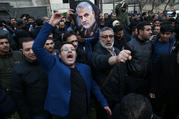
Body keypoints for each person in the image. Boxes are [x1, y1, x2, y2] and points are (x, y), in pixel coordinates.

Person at [32, 12, 112, 119]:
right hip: (62, 115)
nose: (69, 51)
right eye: (65, 49)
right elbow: (37, 48)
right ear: (59, 55)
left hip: (83, 113)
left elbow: (93, 86)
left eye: (72, 49)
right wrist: (50, 24)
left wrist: (104, 103)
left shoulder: (85, 69)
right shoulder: (54, 65)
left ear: (75, 53)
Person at [91, 27, 132, 119]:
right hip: (105, 99)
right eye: (105, 37)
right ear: (99, 38)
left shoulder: (117, 51)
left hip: (119, 97)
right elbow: (101, 61)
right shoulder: (96, 52)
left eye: (110, 36)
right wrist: (116, 59)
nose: (108, 39)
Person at [11, 37, 49, 119]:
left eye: (33, 48)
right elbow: (18, 98)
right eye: (27, 50)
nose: (32, 52)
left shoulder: (47, 63)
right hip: (36, 113)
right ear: (22, 51)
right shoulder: (18, 71)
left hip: (55, 109)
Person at [150, 43, 179, 119]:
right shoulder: (165, 58)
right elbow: (155, 75)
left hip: (175, 100)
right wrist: (152, 91)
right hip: (160, 94)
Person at [125, 22, 153, 97]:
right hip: (133, 82)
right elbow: (125, 65)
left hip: (146, 81)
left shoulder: (150, 44)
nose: (151, 32)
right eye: (148, 30)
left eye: (151, 29)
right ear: (140, 31)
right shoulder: (130, 45)